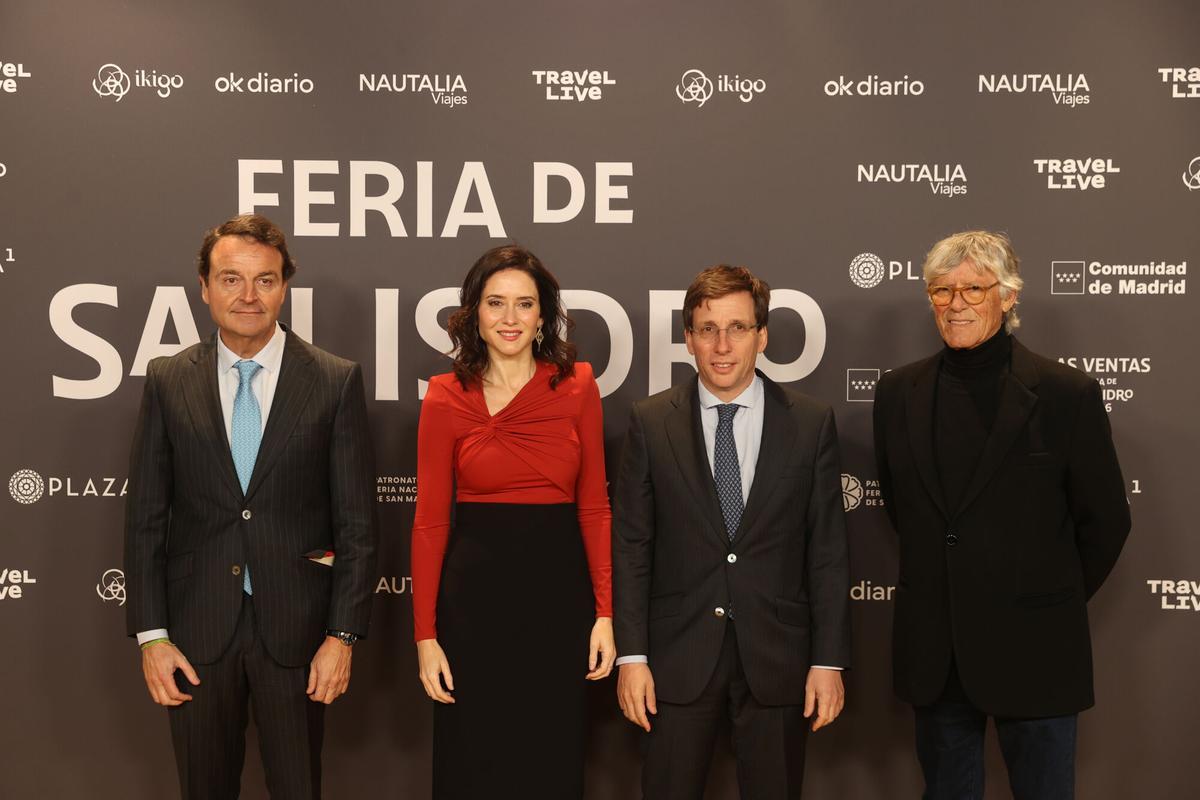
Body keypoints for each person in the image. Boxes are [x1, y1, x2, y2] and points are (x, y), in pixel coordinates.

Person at [123, 213, 378, 799]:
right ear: (204, 287)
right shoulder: (167, 380)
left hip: (299, 632)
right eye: (231, 279)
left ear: (284, 287)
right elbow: (145, 520)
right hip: (195, 632)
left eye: (265, 280)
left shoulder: (334, 380)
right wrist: (152, 637)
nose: (248, 295)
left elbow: (358, 526)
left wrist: (341, 636)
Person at [873, 230, 1131, 799]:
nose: (955, 303)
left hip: (1037, 650)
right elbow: (903, 509)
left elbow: (1107, 521)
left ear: (1009, 296)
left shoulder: (1067, 394)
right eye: (942, 290)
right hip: (937, 654)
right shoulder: (896, 394)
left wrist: (1044, 598)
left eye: (973, 288)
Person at [613, 264, 851, 799]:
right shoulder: (650, 422)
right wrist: (632, 657)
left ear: (761, 336)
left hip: (778, 658)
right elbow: (631, 548)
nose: (722, 345)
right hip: (675, 660)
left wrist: (828, 660)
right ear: (689, 338)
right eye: (708, 329)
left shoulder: (810, 422)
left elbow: (828, 552)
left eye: (738, 328)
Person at [411, 244, 616, 798]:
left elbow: (595, 508)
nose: (510, 318)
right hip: (472, 608)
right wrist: (426, 636)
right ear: (474, 313)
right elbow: (429, 523)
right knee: (472, 761)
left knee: (549, 759)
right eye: (495, 302)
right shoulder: (444, 395)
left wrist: (605, 614)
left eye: (524, 304)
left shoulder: (578, 386)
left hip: (558, 604)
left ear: (543, 315)